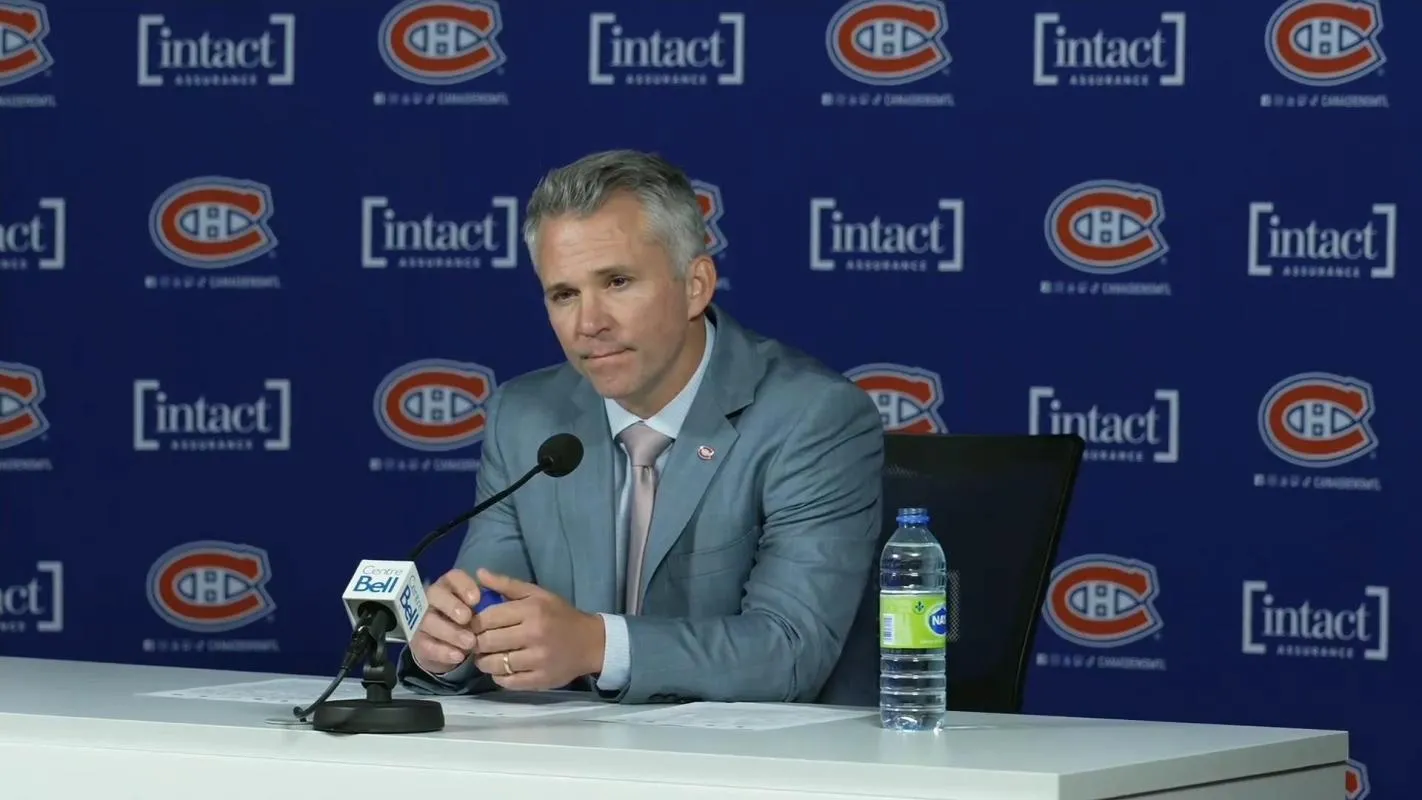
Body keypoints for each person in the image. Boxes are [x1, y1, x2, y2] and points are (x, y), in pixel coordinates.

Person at [396, 149, 884, 704]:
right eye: (564, 294)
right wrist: (449, 647)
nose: (589, 323)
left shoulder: (811, 418)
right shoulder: (525, 418)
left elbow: (790, 651)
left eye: (618, 282)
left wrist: (597, 646)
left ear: (695, 285)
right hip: (571, 751)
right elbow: (491, 612)